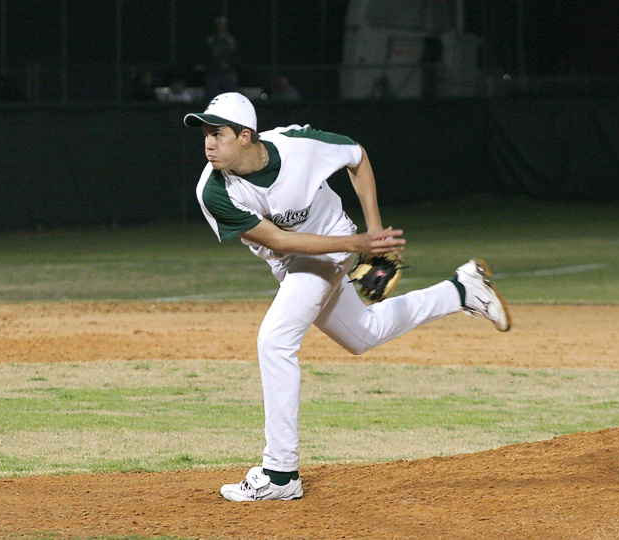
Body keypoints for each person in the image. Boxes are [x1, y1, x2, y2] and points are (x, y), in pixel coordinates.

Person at [183, 92, 510, 501]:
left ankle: (281, 473)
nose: (208, 143)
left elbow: (357, 156)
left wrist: (373, 236)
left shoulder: (298, 145)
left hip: (328, 248)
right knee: (363, 335)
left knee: (274, 340)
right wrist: (361, 241)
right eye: (205, 135)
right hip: (298, 257)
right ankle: (462, 290)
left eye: (217, 133)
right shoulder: (213, 191)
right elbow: (280, 239)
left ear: (246, 136)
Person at [204, 16, 238, 97]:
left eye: (223, 25)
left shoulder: (231, 41)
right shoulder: (211, 40)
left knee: (230, 95)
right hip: (213, 72)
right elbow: (207, 56)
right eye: (219, 24)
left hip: (227, 72)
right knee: (212, 95)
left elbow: (235, 55)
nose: (221, 27)